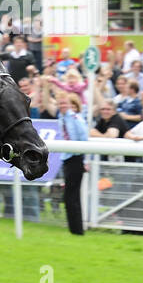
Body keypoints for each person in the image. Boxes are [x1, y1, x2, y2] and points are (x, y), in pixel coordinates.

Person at [58, 93, 88, 235]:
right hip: (67, 158)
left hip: (76, 158)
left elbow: (84, 138)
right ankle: (74, 228)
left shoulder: (76, 118)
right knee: (70, 196)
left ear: (70, 105)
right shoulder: (61, 119)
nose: (62, 106)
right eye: (61, 104)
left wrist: (86, 160)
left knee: (72, 196)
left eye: (65, 104)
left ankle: (77, 230)